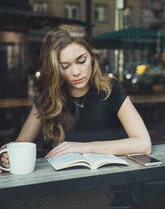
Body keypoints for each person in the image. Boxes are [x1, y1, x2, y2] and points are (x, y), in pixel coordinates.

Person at [0, 24, 151, 209]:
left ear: (92, 57)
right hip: (51, 183)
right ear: (56, 68)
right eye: (65, 66)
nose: (76, 72)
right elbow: (22, 142)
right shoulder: (49, 96)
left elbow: (143, 144)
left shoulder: (110, 90)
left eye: (81, 60)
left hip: (95, 187)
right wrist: (8, 156)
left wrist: (84, 147)